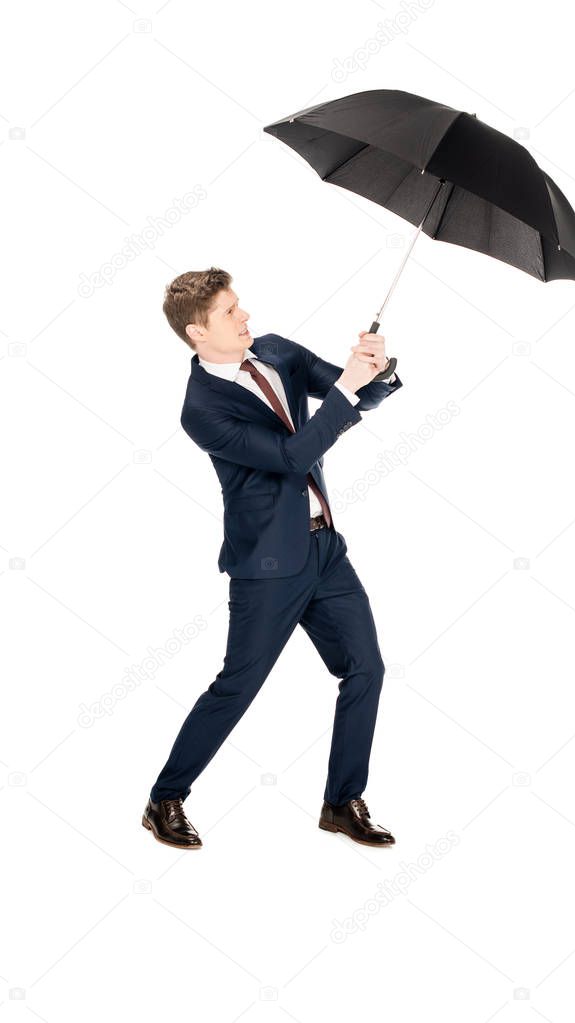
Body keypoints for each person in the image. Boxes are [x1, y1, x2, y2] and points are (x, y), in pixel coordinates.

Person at [142, 266, 403, 850]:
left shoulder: (277, 352)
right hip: (267, 566)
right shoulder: (201, 410)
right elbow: (290, 456)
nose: (246, 318)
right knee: (239, 686)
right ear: (196, 334)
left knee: (366, 669)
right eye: (230, 313)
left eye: (240, 306)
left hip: (326, 548)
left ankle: (342, 802)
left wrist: (376, 369)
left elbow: (354, 392)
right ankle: (165, 799)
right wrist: (345, 393)